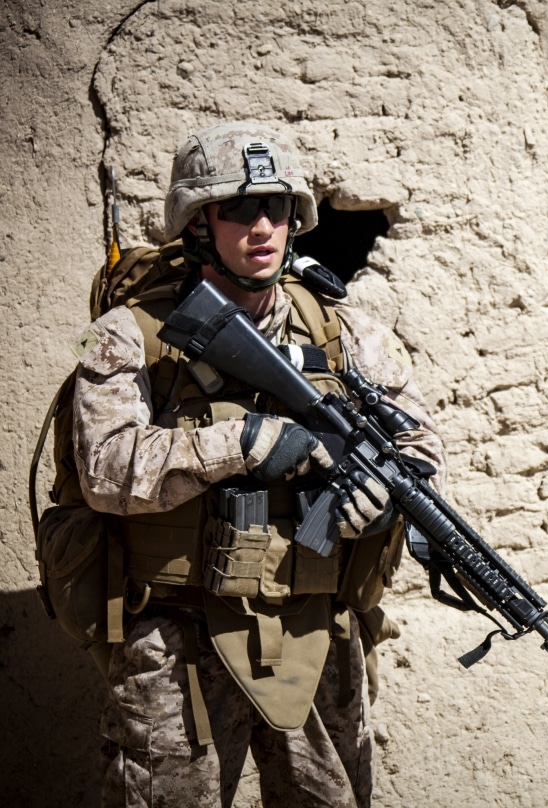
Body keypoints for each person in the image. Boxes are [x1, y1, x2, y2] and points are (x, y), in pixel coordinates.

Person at [72, 121, 445, 807]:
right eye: (238, 209)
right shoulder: (132, 333)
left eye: (276, 208)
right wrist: (241, 441)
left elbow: (420, 450)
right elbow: (104, 467)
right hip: (178, 635)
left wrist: (382, 503)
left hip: (313, 630)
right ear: (196, 223)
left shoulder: (345, 332)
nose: (262, 226)